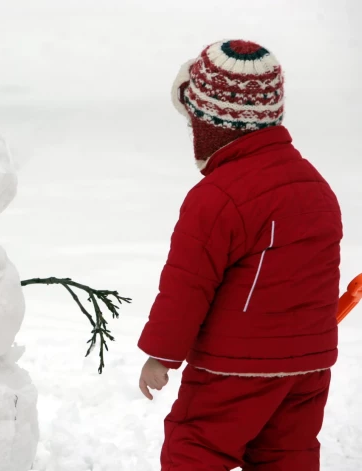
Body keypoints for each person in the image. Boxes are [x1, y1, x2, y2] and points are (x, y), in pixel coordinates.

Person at [137, 39, 342, 470]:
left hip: (235, 367)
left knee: (196, 446)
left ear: (213, 124)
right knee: (287, 454)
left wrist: (162, 353)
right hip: (308, 366)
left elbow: (187, 285)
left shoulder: (216, 197)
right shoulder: (315, 187)